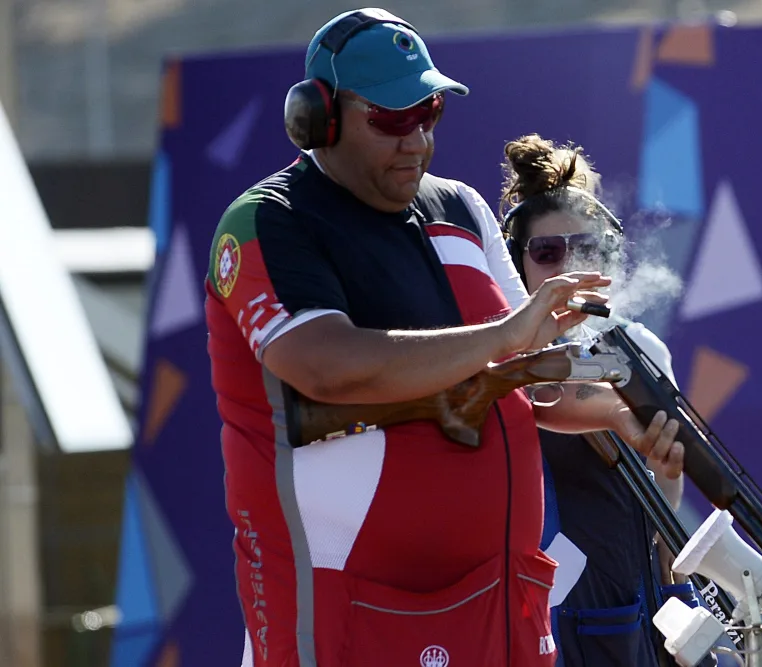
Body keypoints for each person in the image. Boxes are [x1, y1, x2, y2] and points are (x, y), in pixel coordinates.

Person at [203, 8, 686, 667]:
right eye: (392, 119)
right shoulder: (270, 220)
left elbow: (524, 379)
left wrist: (618, 418)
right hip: (341, 606)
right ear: (318, 118)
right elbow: (326, 367)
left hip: (499, 600)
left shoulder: (460, 207)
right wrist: (510, 333)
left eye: (428, 112)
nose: (417, 139)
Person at [499, 134, 704, 667]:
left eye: (584, 247)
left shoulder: (640, 347)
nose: (566, 267)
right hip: (534, 611)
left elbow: (665, 504)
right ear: (518, 263)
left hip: (626, 603)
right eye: (547, 252)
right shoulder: (497, 352)